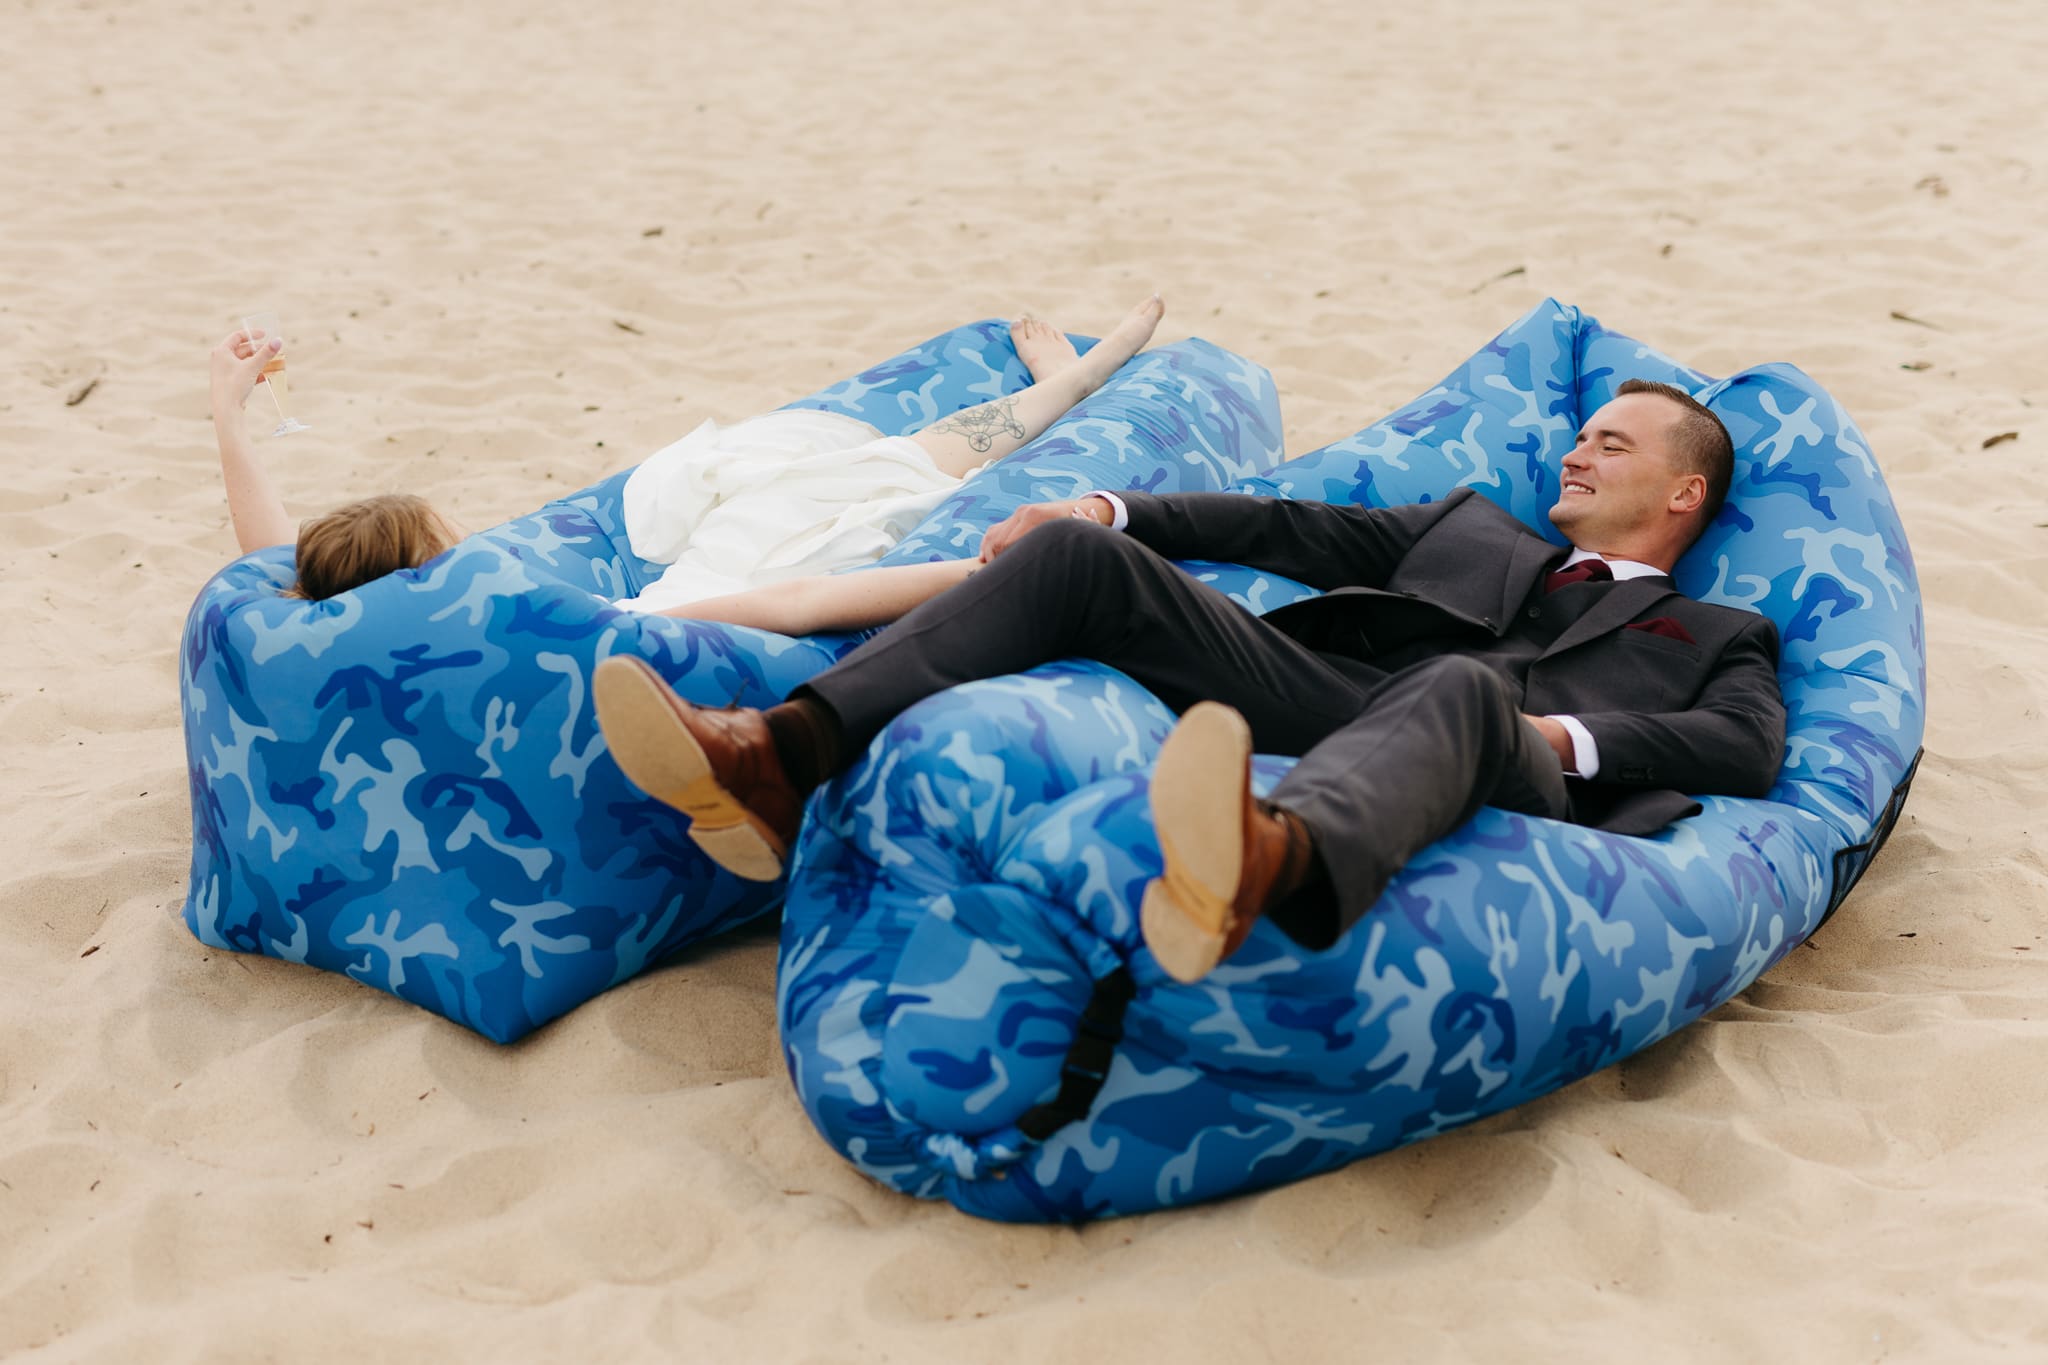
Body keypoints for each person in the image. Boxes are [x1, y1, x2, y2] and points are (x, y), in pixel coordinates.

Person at [588, 380, 1787, 984]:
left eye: (1612, 443)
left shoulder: (1719, 630)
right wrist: (1108, 509)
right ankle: (779, 755)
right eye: (1579, 434)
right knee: (1075, 563)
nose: (1577, 450)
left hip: (1516, 766)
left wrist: (1568, 735)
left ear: (1683, 495)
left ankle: (1266, 858)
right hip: (1338, 704)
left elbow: (1742, 750)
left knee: (1467, 696)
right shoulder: (1482, 534)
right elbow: (1289, 529)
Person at [206, 298, 1165, 614]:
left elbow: (278, 562)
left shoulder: (342, 623)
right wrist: (983, 567)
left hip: (671, 570)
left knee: (772, 479)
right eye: (452, 542)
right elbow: (795, 605)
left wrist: (228, 415)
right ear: (423, 573)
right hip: (688, 598)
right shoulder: (510, 618)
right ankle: (1070, 385)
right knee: (862, 479)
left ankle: (1055, 388)